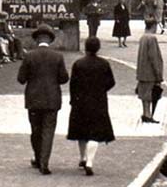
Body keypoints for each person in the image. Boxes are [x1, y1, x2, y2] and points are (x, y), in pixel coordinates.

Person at [17, 24, 69, 175]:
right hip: (52, 98)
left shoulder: (29, 56)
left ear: (36, 40)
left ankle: (38, 157)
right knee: (48, 130)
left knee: (35, 130)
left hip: (33, 98)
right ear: (50, 40)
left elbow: (21, 79)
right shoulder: (58, 56)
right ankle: (44, 163)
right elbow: (64, 78)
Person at [66, 36, 116, 175]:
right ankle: (90, 162)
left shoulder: (78, 64)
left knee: (81, 131)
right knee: (95, 133)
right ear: (98, 48)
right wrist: (101, 89)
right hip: (98, 101)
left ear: (86, 48)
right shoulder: (104, 64)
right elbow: (111, 82)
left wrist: (73, 99)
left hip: (80, 101)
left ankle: (83, 157)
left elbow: (73, 84)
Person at [136, 17, 164, 123]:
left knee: (144, 94)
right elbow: (154, 57)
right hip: (150, 72)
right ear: (154, 26)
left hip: (142, 71)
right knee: (149, 95)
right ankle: (148, 115)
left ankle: (145, 113)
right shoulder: (152, 38)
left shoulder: (143, 37)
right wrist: (158, 74)